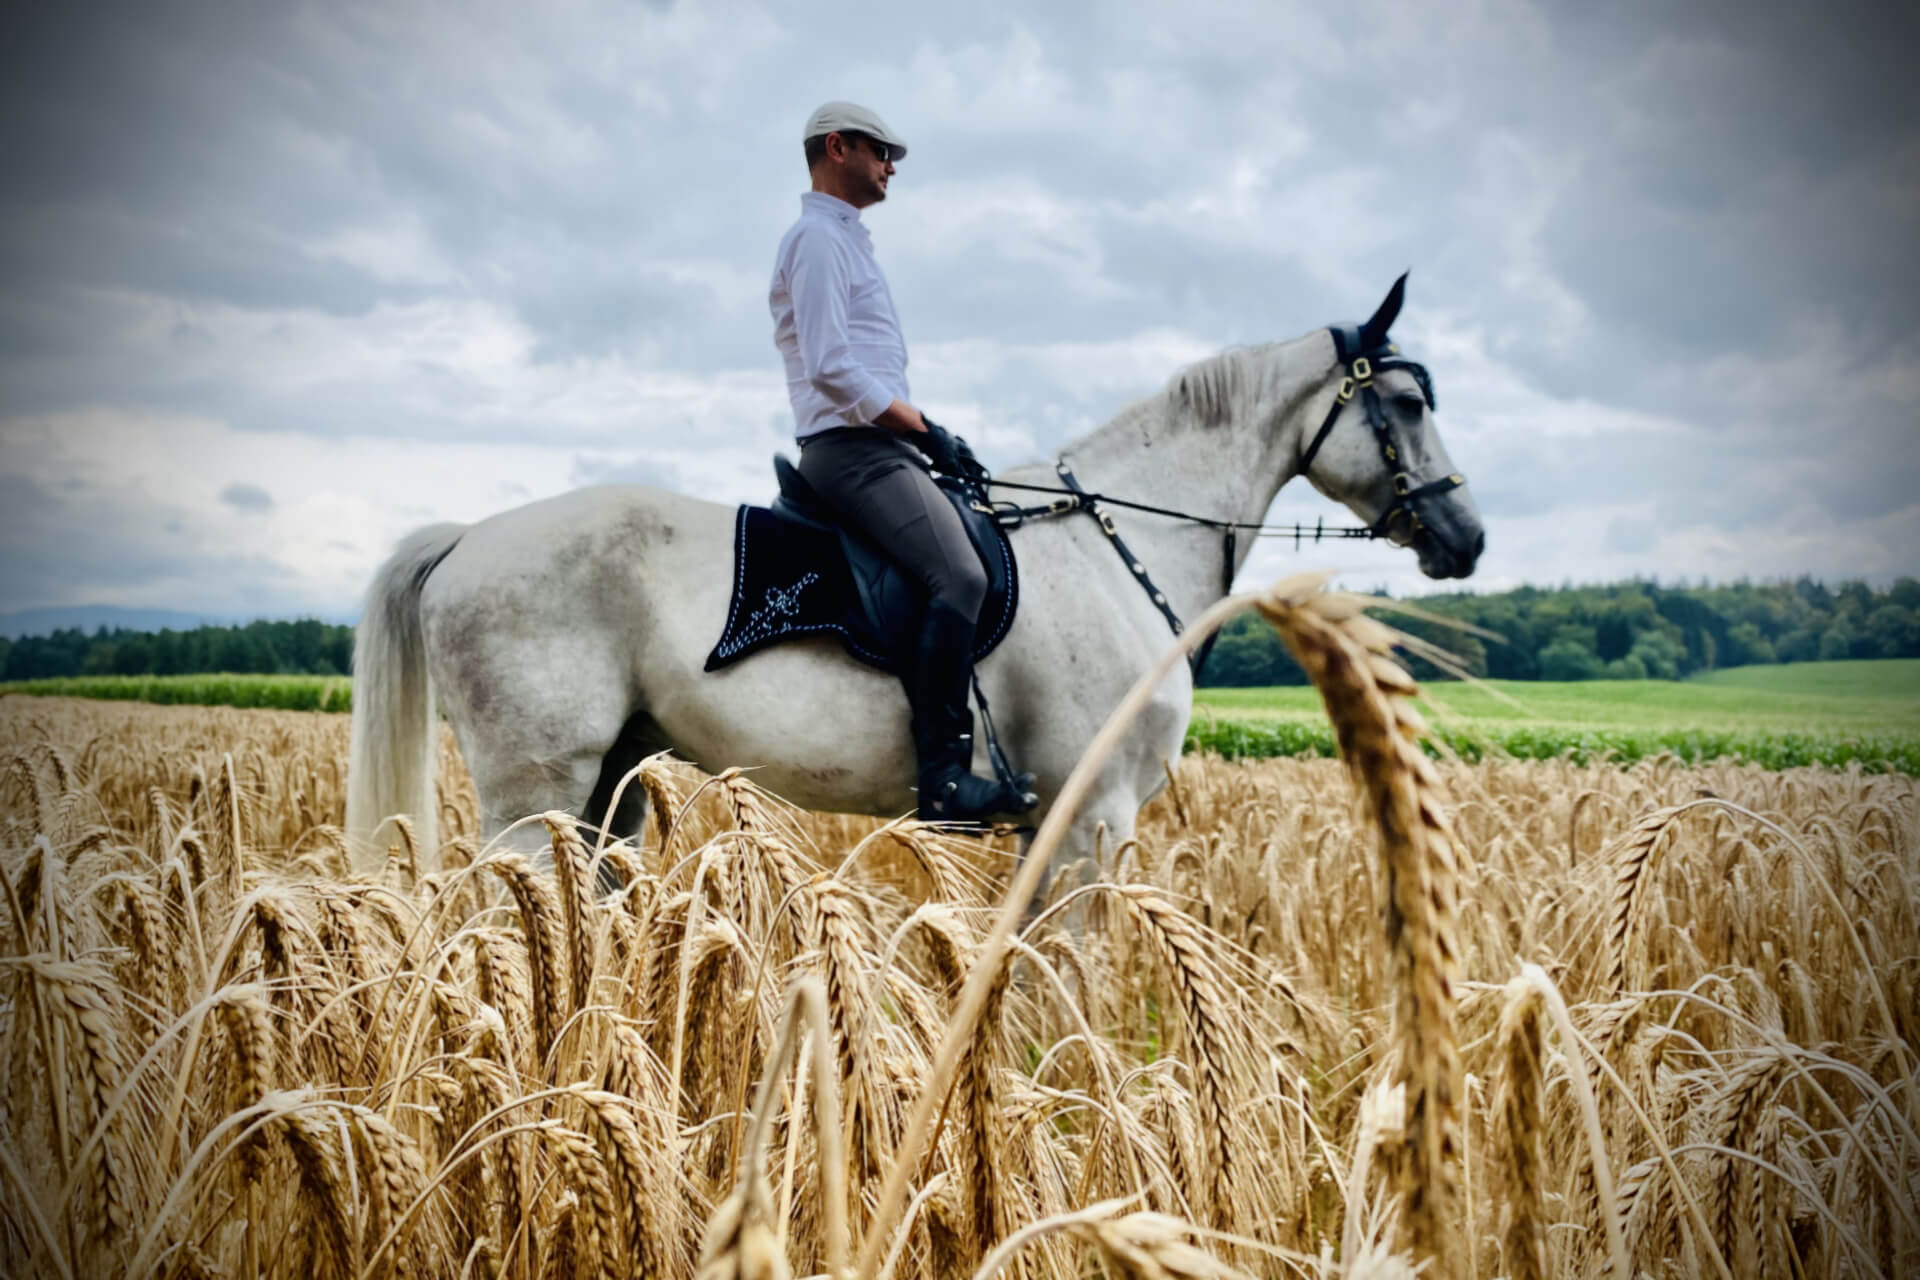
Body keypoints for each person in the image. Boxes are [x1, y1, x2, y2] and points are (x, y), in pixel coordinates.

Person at [769, 101, 1034, 822]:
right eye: (882, 151)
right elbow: (831, 367)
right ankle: (943, 777)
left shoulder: (847, 242)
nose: (892, 167)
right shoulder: (818, 240)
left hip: (880, 448)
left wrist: (920, 438)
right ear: (837, 148)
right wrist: (924, 429)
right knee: (961, 575)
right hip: (854, 453)